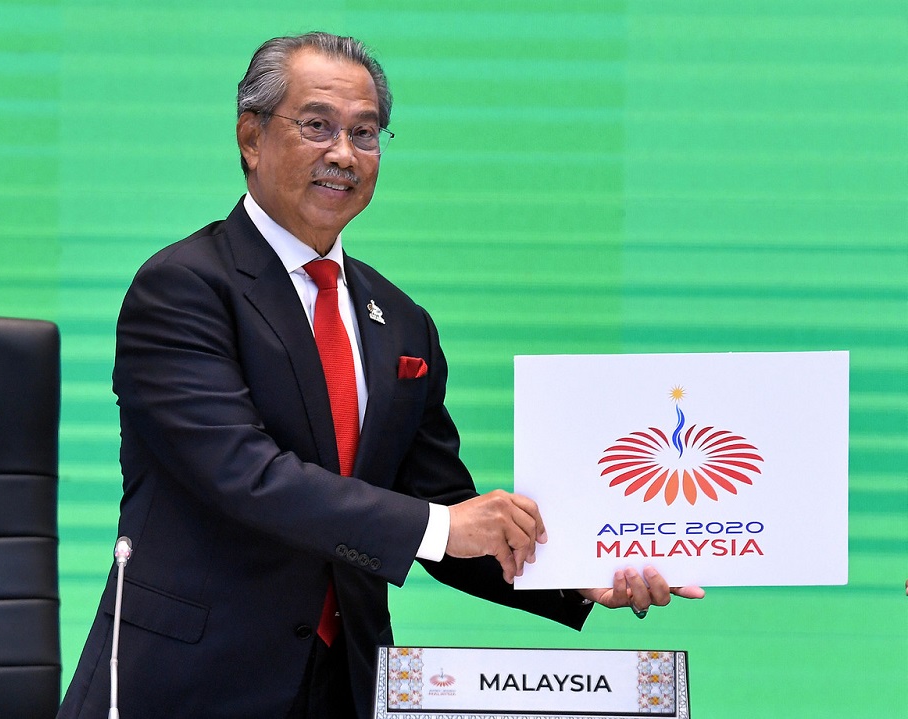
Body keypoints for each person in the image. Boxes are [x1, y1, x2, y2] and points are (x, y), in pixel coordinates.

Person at [57, 31, 703, 719]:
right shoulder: (184, 287)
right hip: (191, 686)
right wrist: (444, 525)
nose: (343, 153)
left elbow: (443, 510)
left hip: (348, 687)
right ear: (251, 137)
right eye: (317, 126)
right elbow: (246, 475)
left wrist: (578, 573)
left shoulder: (399, 320)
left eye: (365, 133)